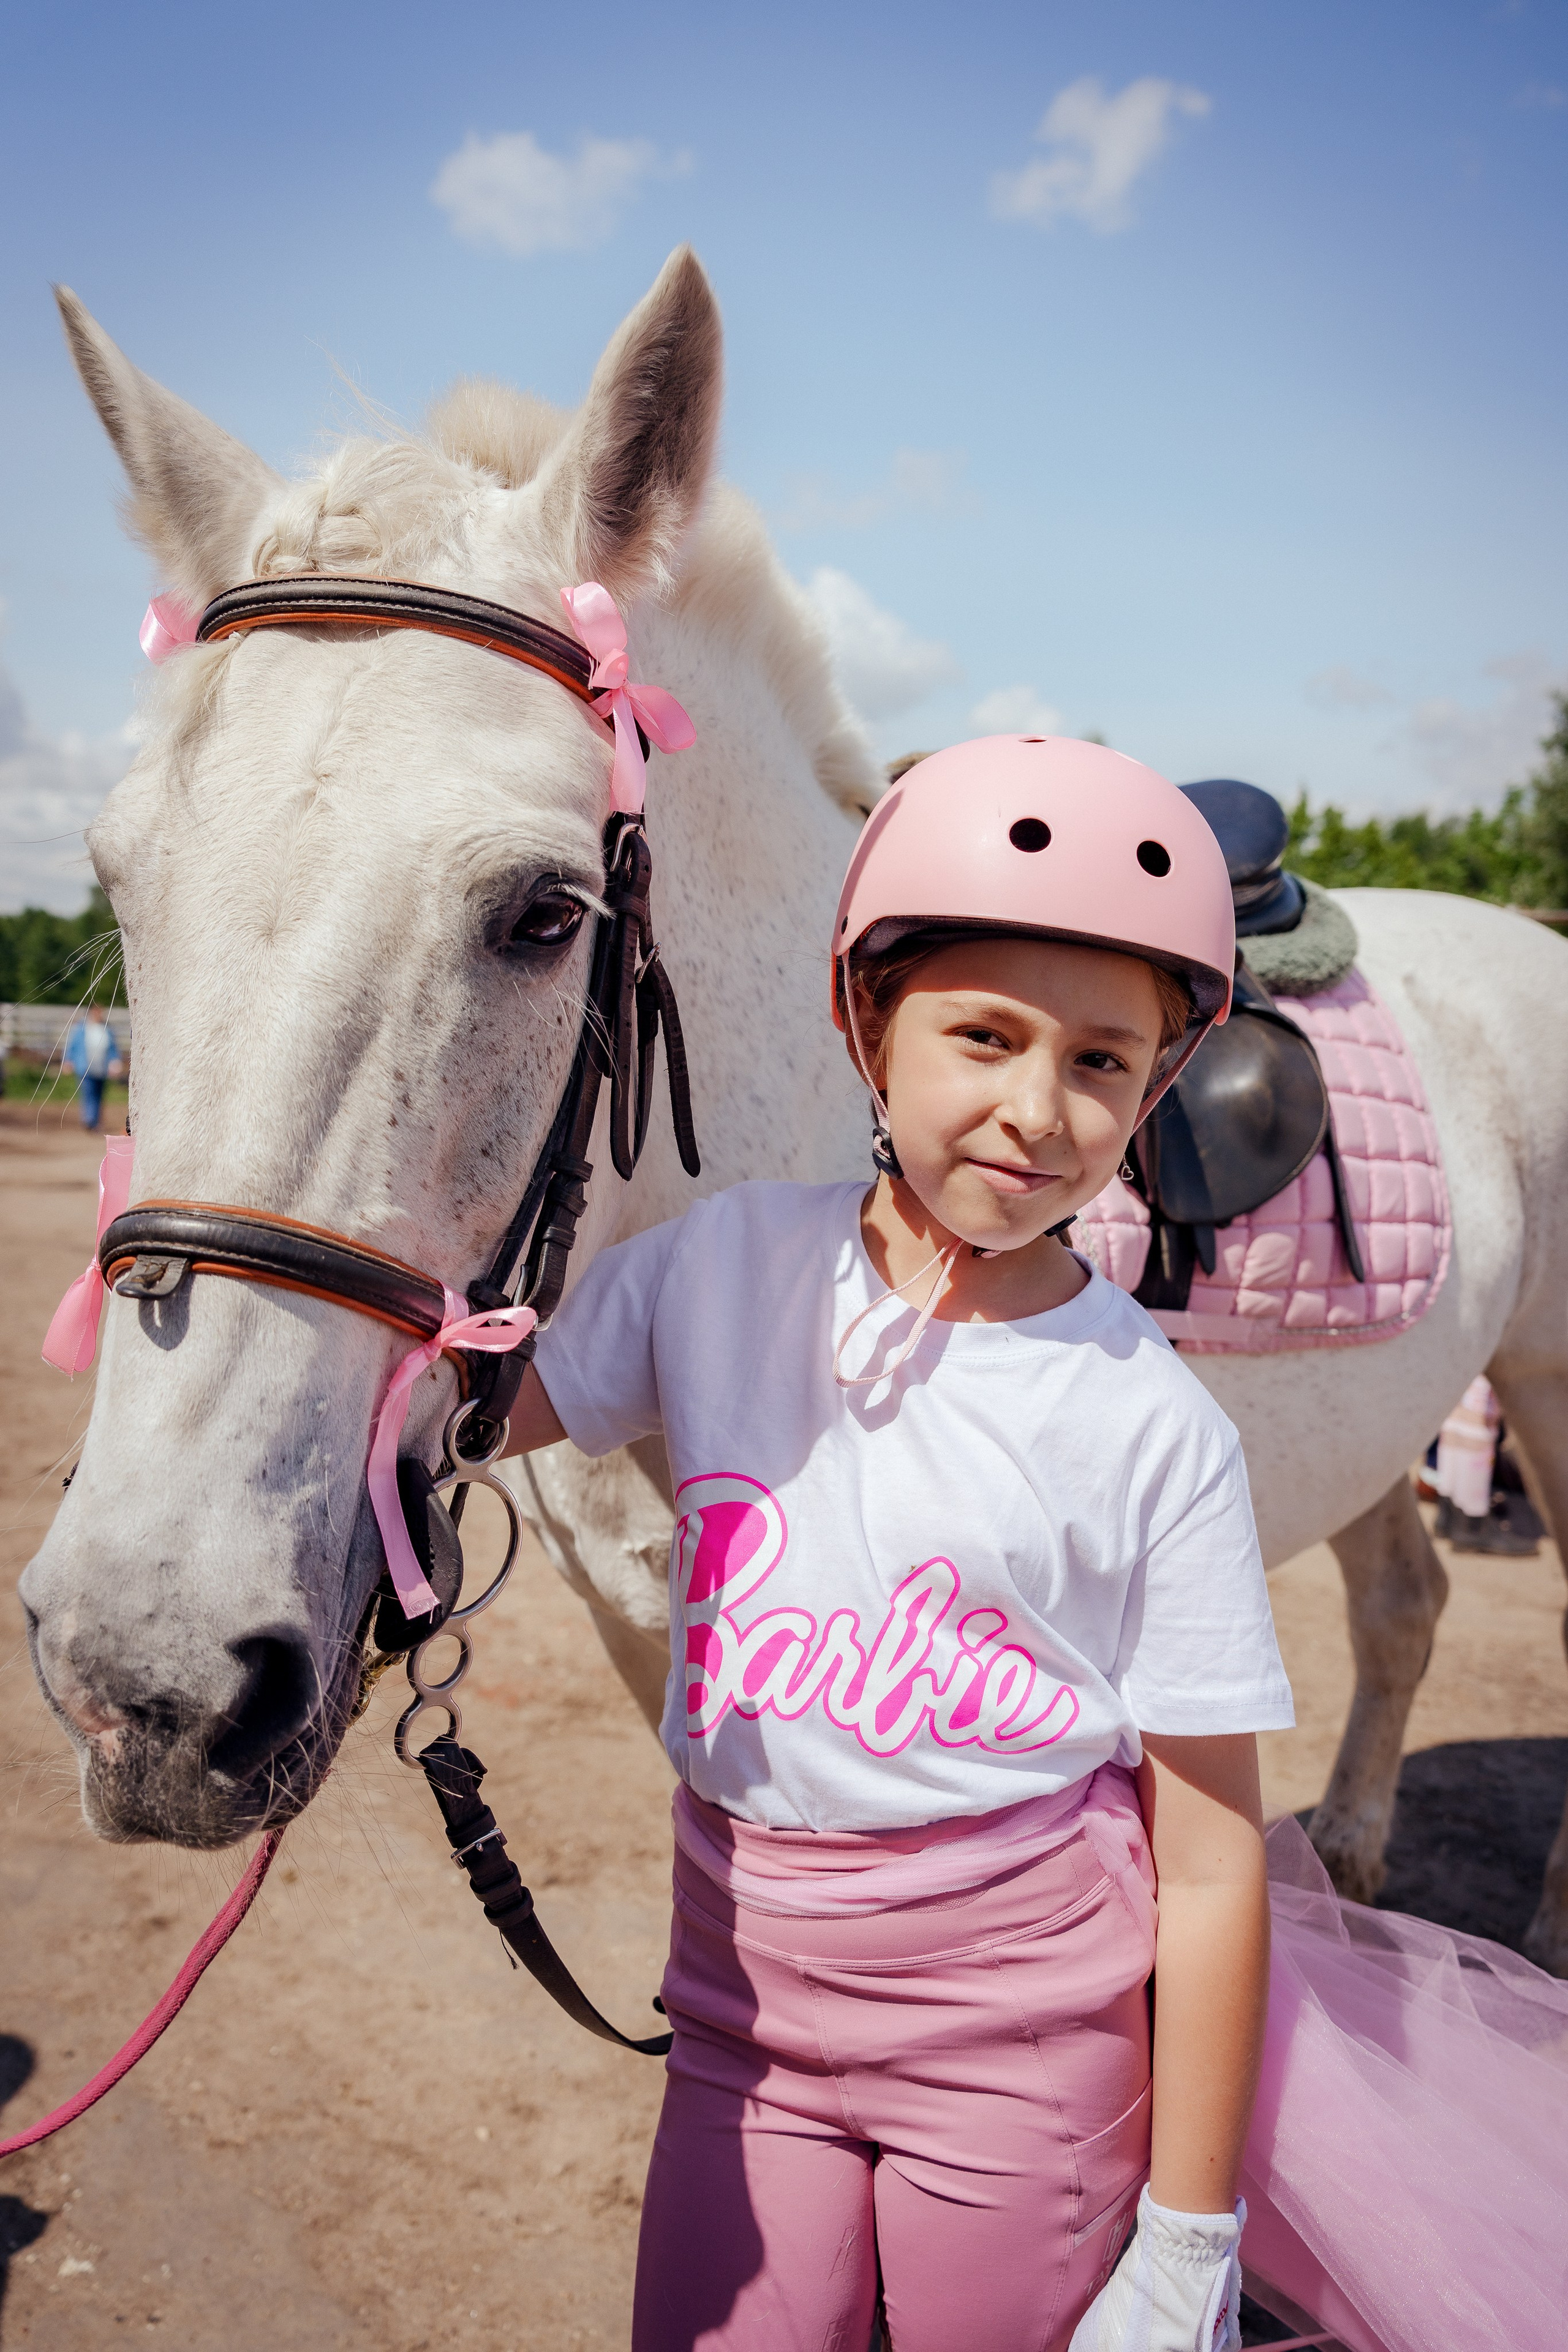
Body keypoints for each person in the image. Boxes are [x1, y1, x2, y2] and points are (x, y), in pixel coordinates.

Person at [499, 739, 1568, 2351]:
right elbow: (470, 1404)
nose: (1035, 1110)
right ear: (866, 1023)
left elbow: (1209, 1863)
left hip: (1022, 2069)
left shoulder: (1157, 1432)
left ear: (1161, 1091)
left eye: (1101, 1064)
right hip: (741, 2029)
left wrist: (1191, 2239)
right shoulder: (710, 1275)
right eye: (984, 1035)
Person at [64, 1002, 123, 1131]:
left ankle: (95, 1120)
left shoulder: (107, 1029)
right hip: (85, 1068)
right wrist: (68, 1061)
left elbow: (113, 1048)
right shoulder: (81, 1029)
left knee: (99, 1095)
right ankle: (90, 1120)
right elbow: (72, 1046)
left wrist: (115, 1062)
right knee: (88, 1093)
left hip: (102, 1068)